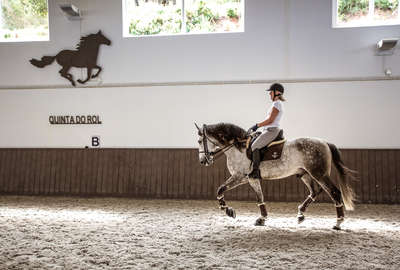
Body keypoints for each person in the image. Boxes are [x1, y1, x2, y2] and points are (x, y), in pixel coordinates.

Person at [247, 83, 286, 179]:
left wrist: (257, 125)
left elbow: (270, 120)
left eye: (270, 92)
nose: (269, 94)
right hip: (267, 130)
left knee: (254, 146)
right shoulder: (275, 104)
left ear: (276, 93)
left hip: (272, 130)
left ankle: (256, 171)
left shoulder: (277, 103)